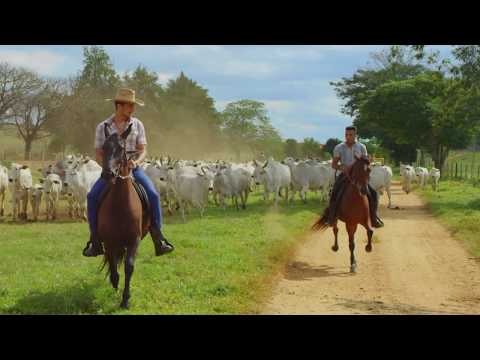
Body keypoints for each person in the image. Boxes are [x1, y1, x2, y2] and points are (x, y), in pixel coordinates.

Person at [82, 88, 174, 257]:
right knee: (92, 197)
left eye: (133, 105)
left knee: (153, 195)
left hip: (134, 169)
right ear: (119, 105)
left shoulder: (138, 124)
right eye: (129, 105)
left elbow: (143, 150)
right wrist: (108, 167)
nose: (133, 108)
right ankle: (94, 240)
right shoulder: (102, 127)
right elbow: (98, 154)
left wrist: (136, 162)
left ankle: (158, 238)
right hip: (110, 171)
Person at [327, 125, 384, 228]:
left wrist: (367, 164)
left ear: (355, 135)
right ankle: (331, 217)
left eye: (350, 135)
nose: (348, 137)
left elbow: (366, 162)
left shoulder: (361, 147)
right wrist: (342, 167)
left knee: (373, 194)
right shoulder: (339, 147)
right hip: (344, 176)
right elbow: (333, 165)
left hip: (359, 176)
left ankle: (374, 217)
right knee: (334, 193)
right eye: (346, 135)